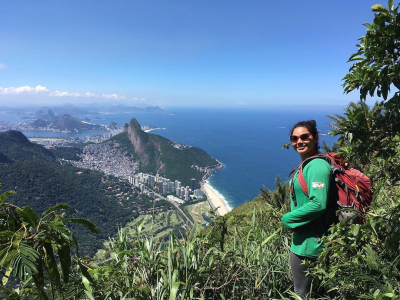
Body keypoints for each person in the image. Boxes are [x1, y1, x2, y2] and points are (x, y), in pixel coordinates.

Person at [282, 120, 332, 300]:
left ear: (316, 137)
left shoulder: (317, 166)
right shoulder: (309, 164)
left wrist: (288, 218)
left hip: (309, 245)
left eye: (304, 137)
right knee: (313, 294)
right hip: (307, 240)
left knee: (301, 295)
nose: (299, 141)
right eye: (294, 138)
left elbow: (318, 203)